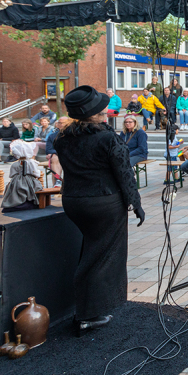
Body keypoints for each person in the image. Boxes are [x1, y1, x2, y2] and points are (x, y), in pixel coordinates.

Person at [55, 85, 143, 336]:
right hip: (103, 202)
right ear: (92, 113)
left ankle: (89, 308)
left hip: (73, 201)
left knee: (92, 249)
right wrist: (135, 203)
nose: (106, 111)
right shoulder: (107, 138)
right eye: (101, 109)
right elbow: (124, 173)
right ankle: (88, 315)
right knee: (102, 256)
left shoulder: (61, 137)